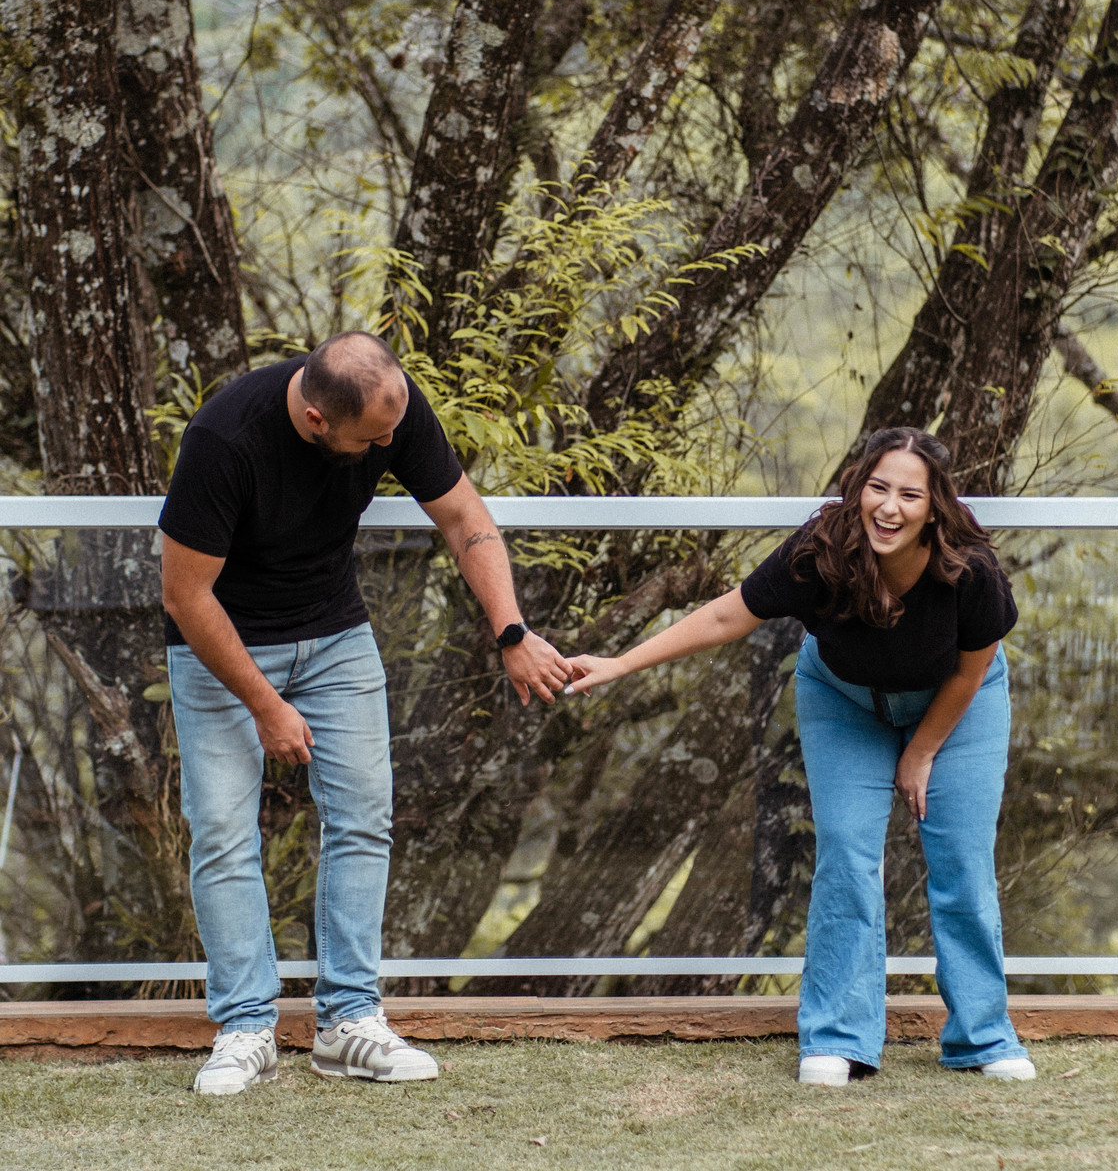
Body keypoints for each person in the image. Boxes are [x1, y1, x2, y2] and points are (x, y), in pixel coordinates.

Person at [159, 331, 571, 1096]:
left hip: (336, 637)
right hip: (222, 646)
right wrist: (265, 705)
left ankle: (349, 1022)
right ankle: (246, 1029)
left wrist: (511, 632)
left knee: (363, 819)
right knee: (222, 832)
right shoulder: (225, 438)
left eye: (393, 429)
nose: (388, 445)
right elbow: (184, 596)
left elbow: (463, 516)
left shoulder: (390, 409)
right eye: (372, 439)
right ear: (318, 419)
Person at [566, 427, 1034, 1087]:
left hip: (958, 705)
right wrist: (620, 663)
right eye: (877, 488)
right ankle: (839, 1037)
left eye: (909, 495)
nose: (889, 507)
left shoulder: (970, 569)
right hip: (845, 701)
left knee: (962, 858)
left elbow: (970, 670)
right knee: (846, 855)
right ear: (857, 487)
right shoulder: (820, 550)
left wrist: (922, 751)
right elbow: (727, 617)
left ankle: (982, 1036)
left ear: (935, 507)